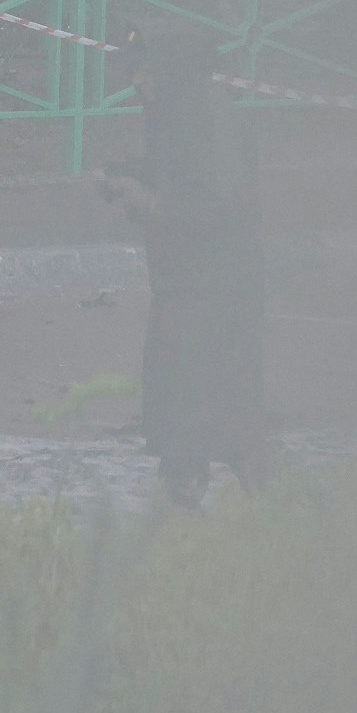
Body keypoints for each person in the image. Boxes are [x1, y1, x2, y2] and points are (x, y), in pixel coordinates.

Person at [102, 29, 269, 506]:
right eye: (134, 72)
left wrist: (148, 202)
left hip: (218, 292)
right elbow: (185, 179)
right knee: (182, 406)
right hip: (185, 287)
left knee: (219, 404)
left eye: (148, 71)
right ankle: (181, 501)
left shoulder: (211, 119)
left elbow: (223, 206)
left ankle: (281, 516)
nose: (137, 83)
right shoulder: (177, 114)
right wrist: (131, 175)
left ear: (174, 73)